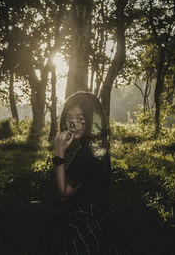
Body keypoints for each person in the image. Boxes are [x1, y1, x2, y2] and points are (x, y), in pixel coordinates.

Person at [46, 91, 118, 255]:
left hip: (83, 221)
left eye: (80, 118)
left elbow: (64, 193)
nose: (73, 123)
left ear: (93, 120)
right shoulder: (100, 147)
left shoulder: (86, 153)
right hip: (99, 217)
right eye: (69, 117)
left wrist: (59, 153)